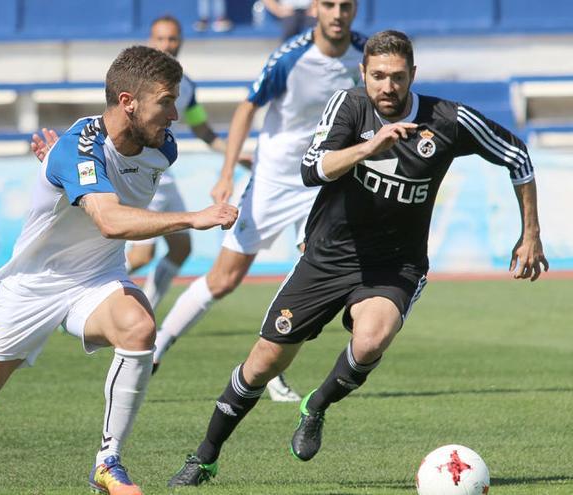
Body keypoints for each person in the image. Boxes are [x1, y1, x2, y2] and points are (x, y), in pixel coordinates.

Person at [167, 30, 549, 487]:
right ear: (363, 73)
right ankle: (205, 456)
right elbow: (312, 169)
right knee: (263, 363)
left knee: (371, 340)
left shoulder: (447, 119)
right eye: (378, 76)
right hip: (327, 256)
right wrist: (370, 147)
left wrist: (530, 234)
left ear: (413, 76)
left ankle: (317, 405)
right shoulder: (348, 106)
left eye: (398, 77)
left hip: (395, 264)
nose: (387, 87)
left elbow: (516, 154)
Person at [0, 46, 238, 495]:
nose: (174, 115)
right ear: (128, 101)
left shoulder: (160, 148)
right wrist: (193, 217)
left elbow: (103, 190)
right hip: (33, 287)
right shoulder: (76, 150)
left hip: (96, 280)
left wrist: (63, 175)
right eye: (166, 102)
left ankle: (108, 463)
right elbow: (110, 221)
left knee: (138, 326)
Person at [152, 0, 367, 402]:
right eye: (329, 5)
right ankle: (158, 347)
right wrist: (225, 173)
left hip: (322, 182)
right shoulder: (290, 57)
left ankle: (270, 367)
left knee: (311, 276)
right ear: (316, 9)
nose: (337, 14)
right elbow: (246, 107)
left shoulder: (366, 55)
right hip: (273, 179)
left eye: (346, 6)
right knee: (224, 278)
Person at [124, 15, 253, 313]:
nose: (167, 44)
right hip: (140, 176)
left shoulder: (186, 87)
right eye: (161, 38)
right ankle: (85, 293)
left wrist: (234, 155)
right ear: (150, 41)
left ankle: (147, 310)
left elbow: (203, 131)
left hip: (163, 178)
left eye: (172, 38)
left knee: (182, 249)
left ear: (180, 41)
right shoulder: (136, 84)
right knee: (142, 256)